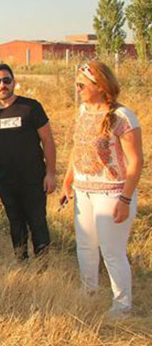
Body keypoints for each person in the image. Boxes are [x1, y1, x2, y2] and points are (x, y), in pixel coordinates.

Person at [61, 61, 143, 318]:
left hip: (112, 193)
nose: (78, 89)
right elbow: (78, 147)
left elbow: (136, 161)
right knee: (85, 246)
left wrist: (125, 199)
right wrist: (67, 181)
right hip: (83, 191)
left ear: (100, 86)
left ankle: (122, 305)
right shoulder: (83, 110)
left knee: (112, 251)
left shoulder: (122, 117)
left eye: (82, 85)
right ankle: (89, 293)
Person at [0, 64, 56, 259]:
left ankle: (43, 265)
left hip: (33, 177)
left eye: (6, 80)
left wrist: (50, 173)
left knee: (37, 221)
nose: (2, 85)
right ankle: (21, 262)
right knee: (15, 222)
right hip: (6, 179)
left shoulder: (30, 107)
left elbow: (48, 140)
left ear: (13, 81)